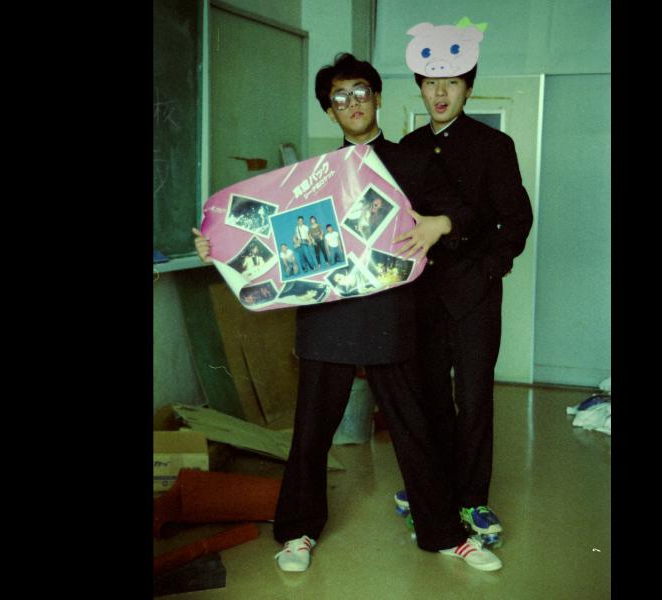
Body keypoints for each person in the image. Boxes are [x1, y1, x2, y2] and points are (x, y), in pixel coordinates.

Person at [192, 52, 501, 574]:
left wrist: (440, 224)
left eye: (361, 91)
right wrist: (216, 246)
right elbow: (263, 238)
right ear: (329, 112)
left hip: (391, 316)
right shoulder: (309, 179)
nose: (352, 103)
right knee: (311, 430)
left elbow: (471, 211)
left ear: (377, 98)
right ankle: (297, 532)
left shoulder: (412, 161)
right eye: (340, 97)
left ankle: (444, 532)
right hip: (326, 319)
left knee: (414, 429)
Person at [392, 23, 534, 545]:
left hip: (475, 293)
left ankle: (473, 500)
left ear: (468, 86)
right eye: (430, 82)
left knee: (473, 398)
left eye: (451, 81)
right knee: (428, 395)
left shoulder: (494, 145)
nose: (441, 92)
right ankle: (433, 490)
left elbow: (517, 218)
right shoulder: (405, 148)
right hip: (421, 295)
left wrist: (492, 267)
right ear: (420, 88)